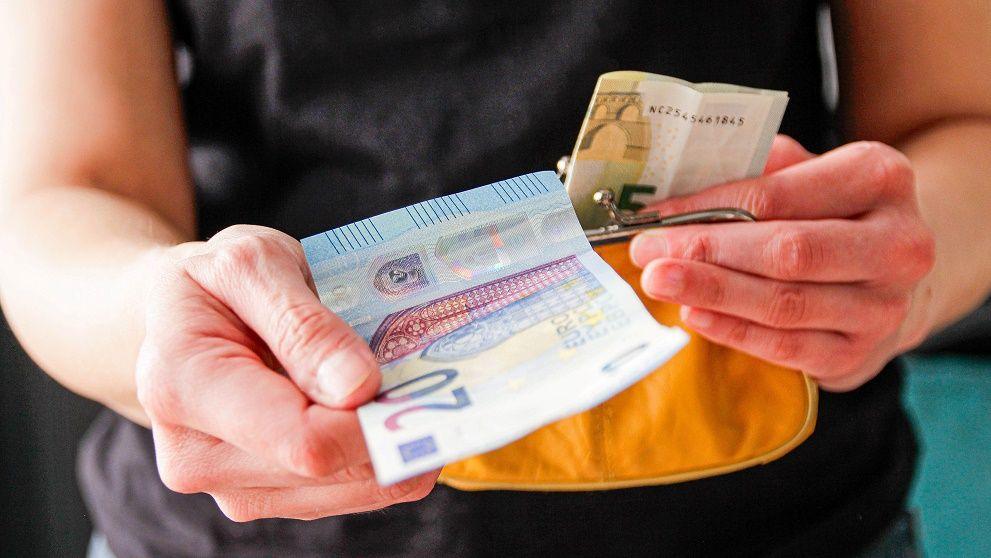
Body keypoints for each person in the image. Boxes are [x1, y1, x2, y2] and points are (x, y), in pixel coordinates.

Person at [1, 1, 989, 556]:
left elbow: (959, 122)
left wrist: (897, 271)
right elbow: (63, 194)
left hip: (775, 529)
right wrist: (169, 323)